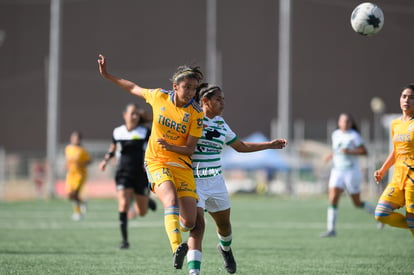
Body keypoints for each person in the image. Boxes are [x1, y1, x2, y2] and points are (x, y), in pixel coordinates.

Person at [98, 54, 204, 269]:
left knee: (191, 222)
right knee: (170, 200)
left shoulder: (196, 113)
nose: (191, 92)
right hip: (157, 161)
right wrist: (107, 75)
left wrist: (172, 146)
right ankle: (177, 248)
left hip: (182, 164)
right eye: (187, 87)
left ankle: (179, 228)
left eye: (194, 88)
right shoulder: (158, 96)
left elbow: (190, 149)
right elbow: (132, 87)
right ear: (175, 86)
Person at [186, 83, 287, 275]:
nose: (223, 102)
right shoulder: (192, 118)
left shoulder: (221, 124)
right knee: (197, 227)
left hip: (215, 181)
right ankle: (194, 272)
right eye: (218, 99)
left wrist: (270, 145)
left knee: (224, 226)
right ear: (205, 101)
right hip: (194, 180)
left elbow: (240, 146)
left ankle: (225, 249)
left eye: (224, 99)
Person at [99, 103, 157, 249]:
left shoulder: (145, 131)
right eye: (132, 113)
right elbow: (112, 149)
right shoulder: (118, 132)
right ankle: (124, 241)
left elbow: (153, 147)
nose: (134, 116)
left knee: (141, 212)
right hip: (122, 173)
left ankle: (147, 202)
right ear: (124, 115)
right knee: (123, 204)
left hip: (140, 174)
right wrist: (105, 160)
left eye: (137, 114)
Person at [320, 113, 378, 237]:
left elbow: (364, 151)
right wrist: (329, 156)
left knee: (357, 203)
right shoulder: (335, 134)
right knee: (333, 197)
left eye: (347, 121)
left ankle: (378, 215)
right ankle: (331, 229)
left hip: (351, 171)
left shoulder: (354, 135)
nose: (345, 124)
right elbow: (336, 150)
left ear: (351, 123)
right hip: (337, 171)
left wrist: (350, 151)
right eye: (342, 121)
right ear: (339, 123)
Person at [374, 84, 414, 237]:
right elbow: (396, 151)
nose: (407, 100)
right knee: (381, 214)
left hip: (412, 179)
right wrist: (383, 170)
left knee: (412, 221)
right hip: (398, 178)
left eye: (411, 97)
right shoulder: (395, 124)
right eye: (404, 96)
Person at [64, 131, 91, 221]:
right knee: (70, 195)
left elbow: (89, 161)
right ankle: (83, 202)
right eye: (73, 137)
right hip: (70, 175)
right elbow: (68, 161)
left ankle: (77, 213)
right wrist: (66, 166)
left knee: (75, 193)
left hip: (80, 175)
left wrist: (81, 163)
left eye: (77, 138)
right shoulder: (68, 148)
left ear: (79, 139)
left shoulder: (82, 150)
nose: (75, 139)